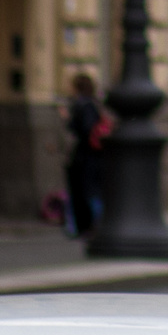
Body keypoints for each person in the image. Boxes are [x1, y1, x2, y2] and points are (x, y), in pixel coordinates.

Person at [61, 74, 107, 237]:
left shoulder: (82, 105)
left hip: (86, 157)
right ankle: (93, 225)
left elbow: (84, 130)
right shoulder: (94, 104)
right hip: (93, 156)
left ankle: (91, 225)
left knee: (86, 192)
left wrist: (68, 119)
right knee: (92, 191)